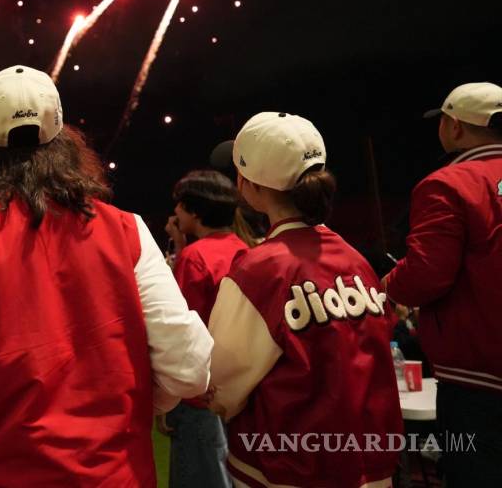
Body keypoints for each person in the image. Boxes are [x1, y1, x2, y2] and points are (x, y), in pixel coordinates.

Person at [0, 65, 212, 487]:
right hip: (117, 475)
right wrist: (139, 402)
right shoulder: (127, 229)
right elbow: (189, 366)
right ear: (64, 138)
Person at [207, 112, 402, 487]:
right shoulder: (355, 259)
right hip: (369, 464)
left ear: (247, 184)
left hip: (287, 468)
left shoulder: (258, 269)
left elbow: (221, 385)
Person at [384, 82, 502, 486]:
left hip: (480, 381)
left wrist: (387, 285)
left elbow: (425, 276)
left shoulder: (449, 184)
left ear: (453, 126)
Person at [160, 170, 246, 488]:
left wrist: (168, 399)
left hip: (200, 393)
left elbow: (183, 335)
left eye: (180, 206)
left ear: (194, 211)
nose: (176, 213)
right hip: (239, 386)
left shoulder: (195, 257)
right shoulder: (244, 249)